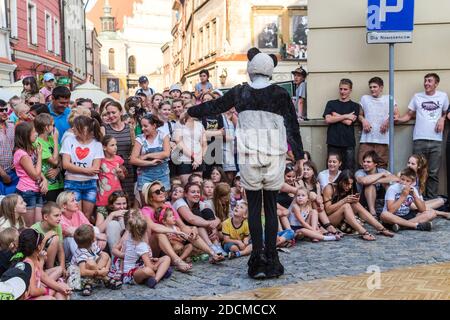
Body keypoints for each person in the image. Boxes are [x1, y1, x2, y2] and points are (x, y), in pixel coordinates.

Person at [183, 48, 305, 279]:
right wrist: (298, 157)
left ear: (251, 68)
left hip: (249, 157)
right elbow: (292, 127)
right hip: (273, 157)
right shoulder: (280, 93)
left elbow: (213, 106)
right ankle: (271, 260)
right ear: (271, 68)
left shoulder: (240, 92)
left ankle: (257, 261)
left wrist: (190, 111)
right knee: (270, 209)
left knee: (254, 209)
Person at [140, 181, 223, 272]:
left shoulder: (168, 206)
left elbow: (182, 226)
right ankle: (178, 261)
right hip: (153, 249)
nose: (162, 192)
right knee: (159, 234)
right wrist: (174, 231)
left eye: (162, 189)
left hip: (171, 246)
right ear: (151, 198)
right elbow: (153, 227)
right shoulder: (145, 210)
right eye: (157, 191)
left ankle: (213, 253)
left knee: (189, 232)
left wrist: (192, 229)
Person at [395, 73, 449, 199]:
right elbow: (409, 115)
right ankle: (416, 199)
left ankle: (431, 200)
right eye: (425, 81)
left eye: (429, 81)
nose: (426, 83)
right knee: (416, 171)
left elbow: (447, 112)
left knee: (433, 173)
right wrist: (398, 120)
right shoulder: (417, 96)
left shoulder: (443, 96)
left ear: (436, 83)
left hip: (436, 140)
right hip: (419, 139)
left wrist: (442, 118)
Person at [323, 170, 394, 240]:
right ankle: (363, 232)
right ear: (340, 181)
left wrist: (355, 200)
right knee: (346, 206)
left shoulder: (350, 188)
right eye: (347, 184)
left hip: (343, 218)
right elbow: (328, 211)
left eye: (351, 184)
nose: (349, 186)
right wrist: (344, 200)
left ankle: (381, 228)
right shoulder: (330, 188)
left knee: (355, 204)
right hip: (329, 220)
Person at [61, 116, 104, 222]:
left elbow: (95, 168)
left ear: (84, 129)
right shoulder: (68, 140)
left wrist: (75, 168)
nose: (73, 128)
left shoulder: (97, 144)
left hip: (90, 184)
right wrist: (86, 171)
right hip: (72, 182)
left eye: (75, 126)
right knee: (75, 215)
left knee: (86, 216)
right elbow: (65, 164)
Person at [11, 228, 71, 300]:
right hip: (27, 297)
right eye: (42, 243)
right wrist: (46, 290)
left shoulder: (32, 258)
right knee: (51, 298)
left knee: (62, 289)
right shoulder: (28, 263)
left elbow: (43, 276)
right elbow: (33, 292)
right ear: (39, 247)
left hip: (35, 290)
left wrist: (60, 288)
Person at [172, 183, 226, 256]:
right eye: (193, 192)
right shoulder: (180, 203)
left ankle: (217, 246)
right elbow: (191, 219)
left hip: (196, 230)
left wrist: (214, 227)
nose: (196, 194)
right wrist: (210, 224)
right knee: (197, 216)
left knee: (207, 211)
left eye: (198, 192)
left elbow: (216, 219)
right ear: (185, 194)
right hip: (182, 232)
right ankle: (210, 246)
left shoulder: (199, 203)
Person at [358, 77, 399, 168]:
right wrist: (363, 120)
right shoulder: (365, 98)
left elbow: (396, 115)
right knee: (362, 164)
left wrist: (388, 121)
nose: (372, 89)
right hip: (367, 139)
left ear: (381, 88)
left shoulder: (389, 98)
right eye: (371, 87)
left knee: (382, 165)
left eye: (375, 87)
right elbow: (360, 115)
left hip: (382, 139)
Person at [122, 213, 171, 288]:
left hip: (141, 265)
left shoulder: (129, 237)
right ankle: (157, 277)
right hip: (131, 275)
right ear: (145, 231)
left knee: (166, 258)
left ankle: (154, 279)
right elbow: (150, 267)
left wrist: (153, 260)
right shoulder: (141, 246)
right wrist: (156, 267)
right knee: (148, 270)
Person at [379, 168, 436, 232]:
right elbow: (390, 211)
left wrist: (414, 195)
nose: (404, 182)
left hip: (406, 215)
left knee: (432, 213)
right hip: (393, 217)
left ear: (412, 182)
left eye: (407, 181)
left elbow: (422, 209)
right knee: (384, 215)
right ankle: (416, 225)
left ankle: (401, 226)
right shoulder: (392, 189)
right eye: (402, 179)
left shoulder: (413, 189)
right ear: (399, 178)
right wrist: (403, 196)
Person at [14, 122, 47, 226]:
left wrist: (45, 180)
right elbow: (35, 175)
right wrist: (40, 156)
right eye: (33, 132)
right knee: (29, 226)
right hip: (27, 191)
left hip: (37, 190)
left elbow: (37, 170)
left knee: (38, 225)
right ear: (26, 135)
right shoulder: (21, 154)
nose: (36, 134)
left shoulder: (31, 150)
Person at [57, 191, 107, 260]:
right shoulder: (59, 217)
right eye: (72, 201)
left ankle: (94, 257)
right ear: (64, 206)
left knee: (95, 229)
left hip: (81, 247)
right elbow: (74, 232)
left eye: (75, 200)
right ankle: (84, 261)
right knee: (73, 238)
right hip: (65, 251)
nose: (76, 202)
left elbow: (90, 227)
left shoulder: (78, 213)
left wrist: (98, 236)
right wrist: (98, 236)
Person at [130, 114, 171, 199]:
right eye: (142, 126)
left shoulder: (163, 136)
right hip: (145, 175)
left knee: (162, 200)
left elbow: (166, 153)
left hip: (162, 174)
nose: (142, 129)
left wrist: (147, 155)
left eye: (145, 126)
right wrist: (150, 163)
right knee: (146, 202)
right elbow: (133, 160)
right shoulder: (140, 139)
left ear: (154, 126)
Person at [102, 101, 136, 204]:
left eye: (113, 112)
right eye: (108, 113)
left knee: (127, 199)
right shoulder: (104, 129)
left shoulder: (129, 128)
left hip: (127, 169)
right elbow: (102, 150)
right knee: (111, 200)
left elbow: (133, 147)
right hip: (110, 170)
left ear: (120, 112)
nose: (111, 115)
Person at [71, 224, 118, 296]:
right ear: (93, 239)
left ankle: (101, 276)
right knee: (91, 262)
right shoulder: (81, 253)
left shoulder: (92, 245)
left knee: (105, 255)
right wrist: (99, 272)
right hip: (79, 278)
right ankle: (105, 279)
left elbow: (104, 256)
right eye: (94, 234)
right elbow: (82, 272)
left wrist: (104, 270)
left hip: (93, 273)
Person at [323, 79, 360, 171]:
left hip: (348, 143)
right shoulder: (331, 103)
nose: (342, 92)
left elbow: (349, 122)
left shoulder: (355, 106)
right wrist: (346, 116)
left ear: (350, 90)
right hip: (333, 142)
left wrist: (335, 115)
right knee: (332, 169)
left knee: (348, 169)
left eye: (345, 89)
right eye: (341, 89)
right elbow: (328, 119)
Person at [355, 151, 400, 217]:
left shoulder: (382, 170)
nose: (365, 164)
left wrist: (379, 181)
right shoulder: (360, 172)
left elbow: (396, 179)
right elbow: (364, 181)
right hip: (364, 201)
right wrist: (381, 175)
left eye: (368, 162)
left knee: (388, 185)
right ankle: (373, 214)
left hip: (380, 199)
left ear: (375, 163)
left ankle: (391, 210)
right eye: (364, 161)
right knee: (370, 185)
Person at [407, 154, 450, 219]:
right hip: (408, 203)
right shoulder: (403, 174)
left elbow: (419, 196)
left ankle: (422, 210)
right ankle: (444, 214)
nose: (409, 165)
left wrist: (421, 203)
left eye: (413, 164)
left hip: (417, 202)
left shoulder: (419, 177)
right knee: (414, 206)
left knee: (441, 200)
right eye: (408, 163)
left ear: (418, 166)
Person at [172, 109, 207, 186]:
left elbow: (204, 145)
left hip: (198, 160)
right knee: (186, 186)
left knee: (199, 186)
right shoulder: (179, 124)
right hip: (184, 159)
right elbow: (179, 143)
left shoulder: (200, 125)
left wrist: (199, 158)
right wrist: (194, 157)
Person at [35, 114, 64, 203]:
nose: (55, 128)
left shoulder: (51, 139)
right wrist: (55, 140)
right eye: (53, 125)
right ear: (46, 127)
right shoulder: (38, 142)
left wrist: (58, 169)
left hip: (59, 183)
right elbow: (55, 161)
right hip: (48, 186)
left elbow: (61, 158)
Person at [96, 135, 126, 216]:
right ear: (104, 147)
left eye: (116, 145)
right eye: (112, 145)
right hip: (103, 197)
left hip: (117, 196)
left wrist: (120, 173)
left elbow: (123, 178)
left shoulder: (118, 159)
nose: (115, 147)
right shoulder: (99, 160)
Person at [31, 202, 65, 270]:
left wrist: (62, 267)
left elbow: (61, 250)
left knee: (60, 269)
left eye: (60, 215)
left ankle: (51, 270)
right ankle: (49, 270)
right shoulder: (34, 229)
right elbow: (32, 255)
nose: (59, 218)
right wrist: (45, 238)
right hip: (37, 263)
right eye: (56, 215)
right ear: (45, 217)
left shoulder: (58, 226)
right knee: (55, 238)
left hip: (49, 259)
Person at [0, 104, 18, 195]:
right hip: (2, 173)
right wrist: (3, 174)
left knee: (13, 203)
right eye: (1, 110)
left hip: (13, 171)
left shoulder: (11, 126)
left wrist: (16, 161)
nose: (4, 112)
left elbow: (17, 145)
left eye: (5, 109)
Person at [222, 108, 237, 182]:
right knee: (226, 175)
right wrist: (234, 138)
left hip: (232, 151)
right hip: (222, 150)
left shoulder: (233, 119)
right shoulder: (221, 117)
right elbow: (221, 136)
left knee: (231, 176)